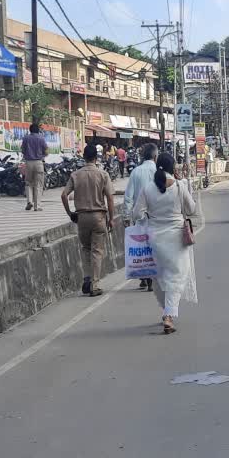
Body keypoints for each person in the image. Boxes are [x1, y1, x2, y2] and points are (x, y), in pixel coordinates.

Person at [132, 153, 203, 334]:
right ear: (173, 168)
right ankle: (169, 315)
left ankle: (166, 311)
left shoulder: (148, 189)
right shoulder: (179, 186)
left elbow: (137, 213)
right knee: (176, 277)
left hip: (154, 239)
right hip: (176, 238)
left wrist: (149, 217)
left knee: (158, 277)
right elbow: (191, 209)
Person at [61, 145, 116, 297]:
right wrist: (111, 219)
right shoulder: (103, 174)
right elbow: (110, 198)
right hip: (98, 216)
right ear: (96, 158)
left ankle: (86, 278)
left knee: (86, 248)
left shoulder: (75, 175)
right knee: (97, 251)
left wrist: (70, 213)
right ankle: (95, 284)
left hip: (82, 217)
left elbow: (64, 195)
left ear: (84, 157)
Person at [124, 143, 160, 291]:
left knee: (142, 247)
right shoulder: (158, 172)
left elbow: (128, 197)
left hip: (139, 216)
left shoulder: (136, 172)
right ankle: (152, 277)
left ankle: (144, 277)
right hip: (156, 216)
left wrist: (127, 216)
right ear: (155, 157)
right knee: (154, 247)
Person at [21, 123, 48, 211]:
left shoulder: (26, 138)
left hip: (28, 162)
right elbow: (46, 150)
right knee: (38, 184)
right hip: (38, 162)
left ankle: (29, 201)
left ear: (30, 130)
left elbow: (23, 150)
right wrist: (43, 155)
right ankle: (37, 206)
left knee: (28, 183)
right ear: (38, 130)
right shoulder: (41, 138)